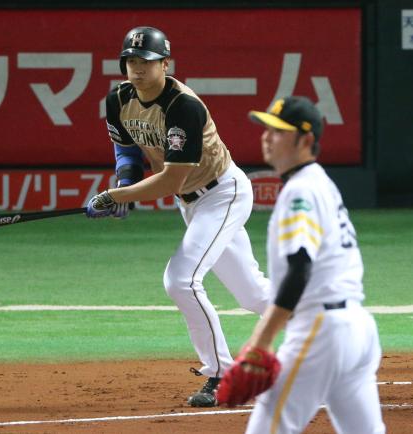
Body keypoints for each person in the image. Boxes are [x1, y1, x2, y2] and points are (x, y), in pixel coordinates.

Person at [86, 26, 270, 407]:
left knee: (181, 280)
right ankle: (328, 324)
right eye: (132, 61)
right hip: (193, 203)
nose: (138, 69)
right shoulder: (118, 99)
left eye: (147, 62)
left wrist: (111, 196)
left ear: (164, 64)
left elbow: (171, 179)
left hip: (223, 194)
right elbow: (127, 154)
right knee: (252, 293)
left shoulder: (183, 105)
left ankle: (220, 373)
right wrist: (124, 186)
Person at [230, 96, 385, 433]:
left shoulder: (300, 192)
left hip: (321, 331)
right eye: (267, 129)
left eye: (279, 131)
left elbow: (301, 267)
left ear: (306, 140)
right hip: (358, 330)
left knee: (268, 427)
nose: (267, 137)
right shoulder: (322, 184)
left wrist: (261, 339)